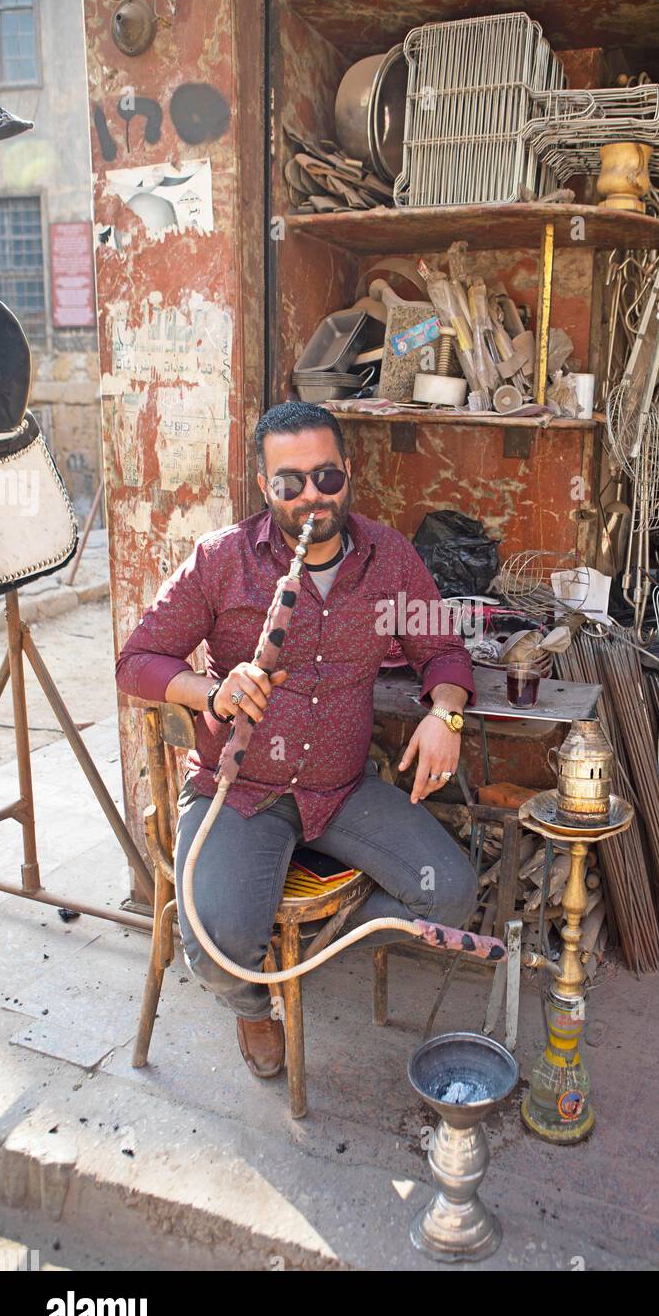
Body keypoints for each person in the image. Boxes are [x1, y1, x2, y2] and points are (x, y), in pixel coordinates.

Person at [115, 400, 478, 1078]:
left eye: (327, 478)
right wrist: (210, 692)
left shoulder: (390, 558)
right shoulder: (222, 560)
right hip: (243, 789)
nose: (311, 496)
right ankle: (254, 1007)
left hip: (341, 790)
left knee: (450, 892)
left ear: (349, 472)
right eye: (290, 483)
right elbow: (136, 661)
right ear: (264, 485)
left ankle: (309, 956)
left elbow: (444, 651)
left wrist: (445, 715)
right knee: (215, 946)